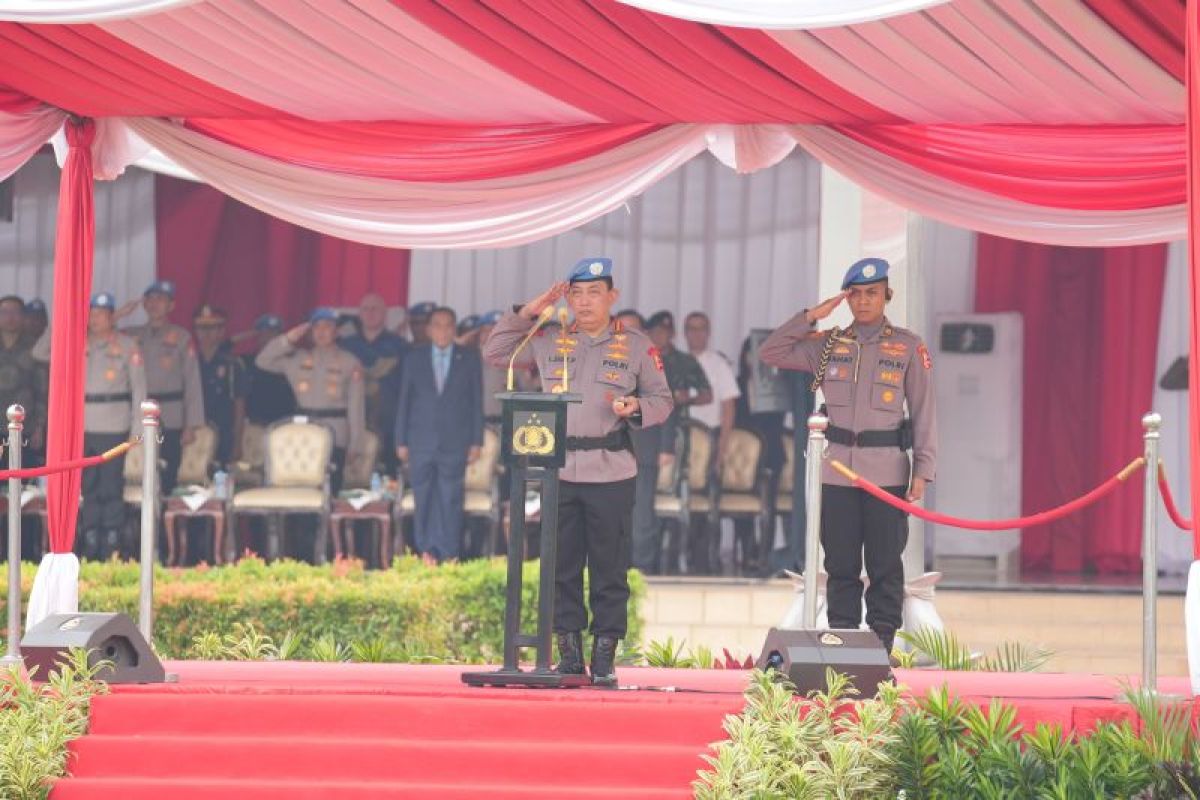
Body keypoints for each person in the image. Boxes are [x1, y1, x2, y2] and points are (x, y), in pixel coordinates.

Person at [483, 258, 672, 686]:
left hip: (611, 470)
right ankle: (568, 652)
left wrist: (636, 406)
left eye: (594, 292)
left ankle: (604, 653)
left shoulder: (637, 346)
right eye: (577, 293)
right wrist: (532, 308)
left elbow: (663, 400)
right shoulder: (548, 339)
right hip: (559, 470)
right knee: (560, 566)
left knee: (609, 566)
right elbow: (495, 352)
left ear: (612, 296)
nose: (584, 302)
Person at [760, 257, 937, 654]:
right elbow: (771, 351)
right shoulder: (829, 344)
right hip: (836, 471)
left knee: (884, 565)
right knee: (839, 563)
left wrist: (923, 470)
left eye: (871, 293)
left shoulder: (908, 346)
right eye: (854, 294)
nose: (863, 301)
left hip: (887, 469)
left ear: (886, 296)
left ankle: (881, 647)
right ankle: (842, 643)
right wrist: (812, 315)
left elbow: (925, 410)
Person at [33, 293, 146, 559]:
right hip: (82, 424)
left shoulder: (127, 345)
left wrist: (138, 430)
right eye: (90, 314)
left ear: (111, 316)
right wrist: (64, 321)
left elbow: (139, 390)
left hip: (115, 422)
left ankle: (112, 547)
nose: (95, 319)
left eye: (100, 314)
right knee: (89, 487)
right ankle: (91, 543)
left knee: (111, 487)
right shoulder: (75, 343)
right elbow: (39, 352)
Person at [394, 307, 483, 563]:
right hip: (420, 440)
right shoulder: (414, 357)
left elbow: (476, 402)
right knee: (424, 496)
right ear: (429, 330)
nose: (443, 331)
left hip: (455, 441)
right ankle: (427, 551)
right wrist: (401, 440)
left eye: (448, 326)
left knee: (450, 497)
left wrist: (476, 440)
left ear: (454, 330)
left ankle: (450, 551)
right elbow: (405, 402)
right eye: (437, 325)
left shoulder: (468, 358)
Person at [257, 307, 365, 495]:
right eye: (316, 327)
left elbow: (356, 407)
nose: (321, 332)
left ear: (337, 331)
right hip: (302, 433)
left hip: (335, 434)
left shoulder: (350, 362)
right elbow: (262, 360)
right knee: (300, 492)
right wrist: (288, 339)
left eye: (328, 326)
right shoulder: (297, 359)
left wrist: (355, 443)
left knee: (330, 492)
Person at [117, 281, 205, 494]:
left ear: (171, 305)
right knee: (127, 470)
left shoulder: (181, 337)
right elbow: (98, 333)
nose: (155, 304)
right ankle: (132, 525)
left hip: (171, 413)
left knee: (167, 473)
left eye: (161, 299)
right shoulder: (130, 335)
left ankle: (164, 526)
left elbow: (192, 381)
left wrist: (191, 424)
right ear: (144, 304)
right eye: (150, 299)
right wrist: (119, 315)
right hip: (137, 412)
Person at [645, 311, 714, 573]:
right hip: (647, 432)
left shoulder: (684, 362)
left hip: (678, 433)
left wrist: (685, 399)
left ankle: (673, 560)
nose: (660, 336)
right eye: (655, 332)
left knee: (676, 492)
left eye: (664, 332)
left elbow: (707, 395)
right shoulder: (643, 360)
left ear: (672, 333)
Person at [616, 309, 675, 575]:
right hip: (609, 450)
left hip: (645, 449)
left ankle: (643, 573)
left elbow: (666, 403)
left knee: (641, 519)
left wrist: (666, 446)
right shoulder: (603, 359)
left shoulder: (652, 359)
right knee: (611, 517)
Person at [339, 293, 409, 474]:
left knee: (389, 478)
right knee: (348, 476)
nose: (370, 313)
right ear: (359, 314)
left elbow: (409, 387)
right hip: (352, 422)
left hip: (390, 423)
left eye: (375, 309)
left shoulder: (401, 346)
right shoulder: (344, 346)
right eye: (365, 309)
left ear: (385, 314)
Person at [193, 305, 245, 469]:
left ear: (222, 331)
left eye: (212, 328)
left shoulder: (232, 364)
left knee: (220, 480)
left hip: (224, 432)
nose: (206, 333)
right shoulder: (189, 362)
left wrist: (237, 442)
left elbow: (239, 406)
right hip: (195, 432)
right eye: (201, 328)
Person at [683, 312, 740, 461]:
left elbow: (729, 407)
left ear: (708, 333)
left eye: (701, 329)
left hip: (710, 435)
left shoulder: (720, 365)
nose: (696, 333)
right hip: (682, 434)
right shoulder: (676, 362)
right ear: (685, 333)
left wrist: (723, 443)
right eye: (692, 329)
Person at [0, 296, 44, 459]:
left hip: (25, 428)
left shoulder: (35, 346)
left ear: (23, 316)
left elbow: (42, 388)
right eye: (4, 312)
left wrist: (39, 426)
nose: (10, 317)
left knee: (22, 480)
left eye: (15, 312)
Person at [239, 314, 296, 428]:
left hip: (284, 425)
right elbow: (220, 350)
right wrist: (244, 336)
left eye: (274, 334)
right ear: (258, 336)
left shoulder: (291, 362)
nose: (270, 338)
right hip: (254, 424)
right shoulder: (246, 361)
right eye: (265, 333)